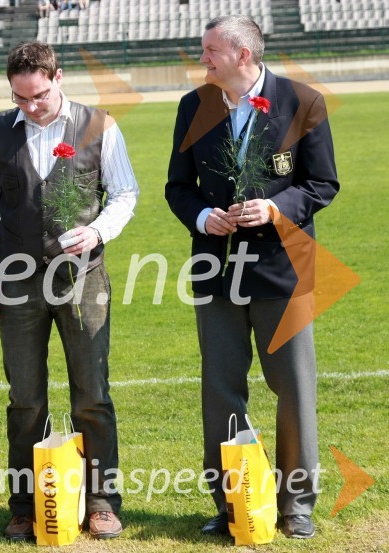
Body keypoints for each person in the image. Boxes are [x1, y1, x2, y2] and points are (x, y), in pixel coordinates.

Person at [165, 15, 339, 540]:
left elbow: (322, 183)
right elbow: (178, 187)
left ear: (242, 55)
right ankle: (232, 499)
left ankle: (296, 503)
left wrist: (274, 208)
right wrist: (202, 217)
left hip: (283, 270)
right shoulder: (193, 106)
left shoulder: (303, 101)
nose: (203, 60)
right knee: (221, 391)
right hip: (215, 269)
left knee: (293, 388)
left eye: (210, 51)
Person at [0, 41, 138, 541]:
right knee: (25, 398)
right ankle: (24, 504)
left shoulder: (98, 124)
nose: (29, 107)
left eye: (38, 96)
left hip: (83, 279)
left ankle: (102, 501)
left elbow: (125, 192)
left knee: (92, 394)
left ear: (58, 78)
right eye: (20, 98)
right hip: (18, 281)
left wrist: (99, 231)